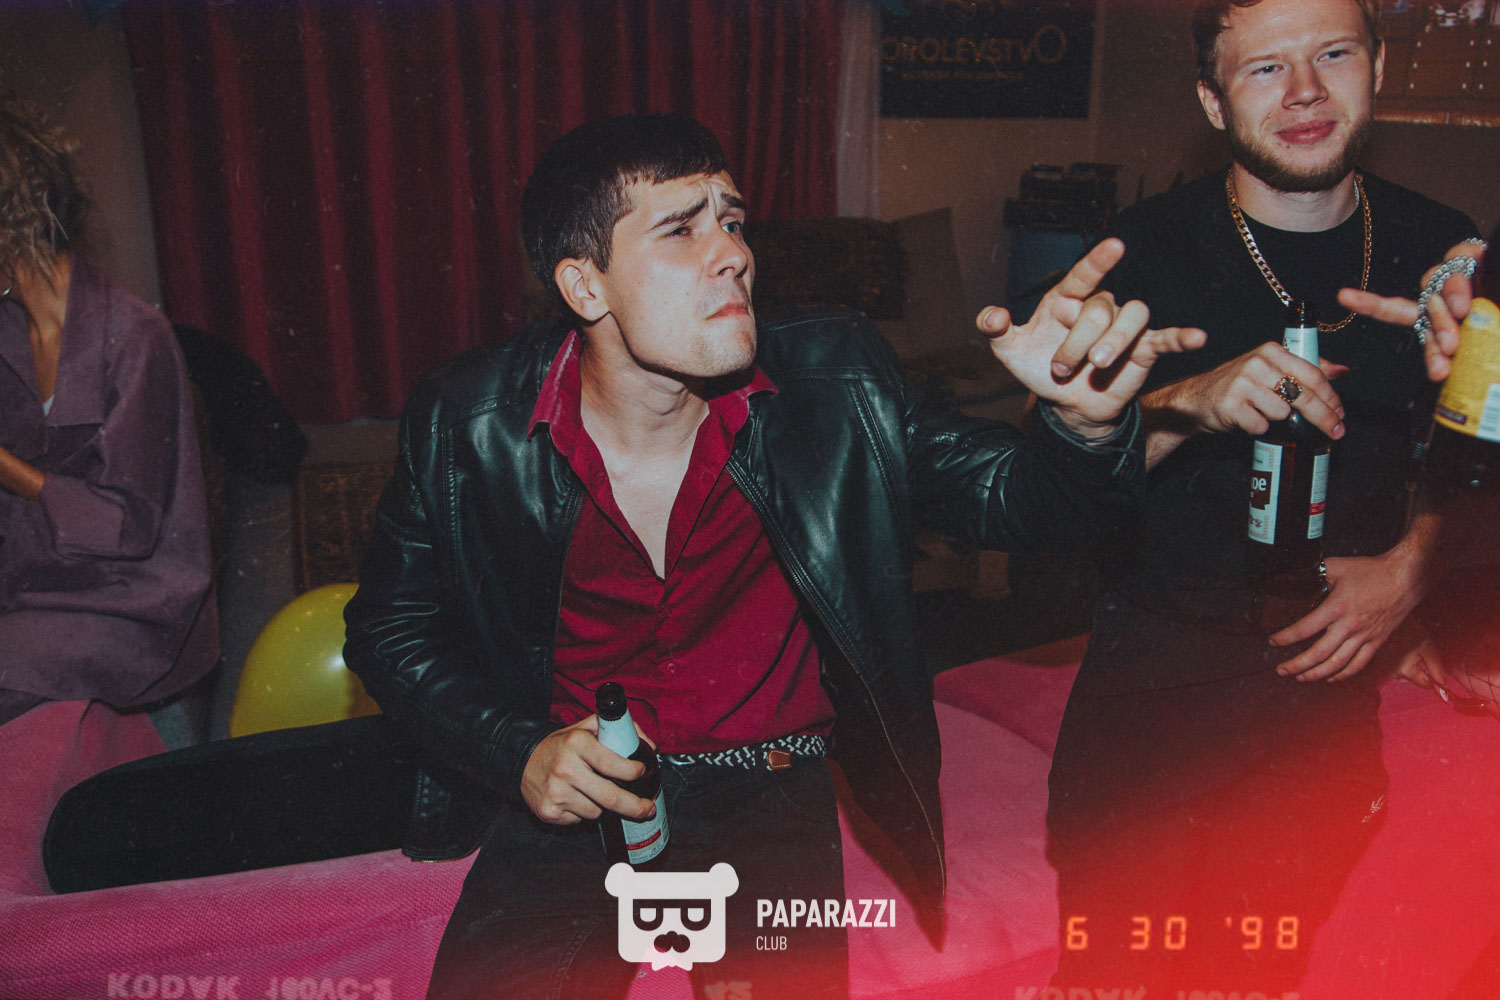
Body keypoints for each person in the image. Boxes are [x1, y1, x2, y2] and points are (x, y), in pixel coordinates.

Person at [342, 112, 1201, 1000]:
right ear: (585, 285)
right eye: (681, 230)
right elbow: (386, 631)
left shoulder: (839, 380)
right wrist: (516, 749)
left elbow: (1025, 503)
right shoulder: (466, 419)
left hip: (770, 785)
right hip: (579, 788)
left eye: (733, 221)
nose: (733, 254)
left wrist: (1082, 424)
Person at [1044, 0, 1481, 992]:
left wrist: (1413, 572)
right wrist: (1185, 403)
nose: (1306, 93)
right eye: (1265, 69)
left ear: (1377, 66)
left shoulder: (1437, 246)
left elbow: (1481, 465)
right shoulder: (1143, 250)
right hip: (1153, 709)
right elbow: (1048, 488)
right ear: (1213, 101)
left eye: (1333, 54)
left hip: (1324, 722)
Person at [0, 95, 218, 729]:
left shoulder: (131, 334)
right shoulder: (10, 325)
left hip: (133, 598)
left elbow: (128, 527)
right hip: (43, 574)